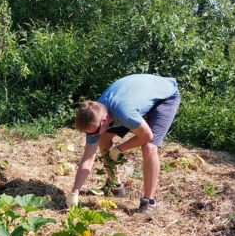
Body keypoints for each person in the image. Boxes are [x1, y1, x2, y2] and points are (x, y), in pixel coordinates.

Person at [67, 73, 180, 214]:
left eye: (92, 132)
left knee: (149, 147)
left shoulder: (124, 113)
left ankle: (149, 202)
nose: (91, 136)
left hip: (165, 96)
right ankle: (115, 185)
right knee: (102, 138)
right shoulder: (96, 114)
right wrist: (74, 192)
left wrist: (119, 149)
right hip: (136, 97)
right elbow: (88, 158)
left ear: (104, 121)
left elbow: (146, 136)